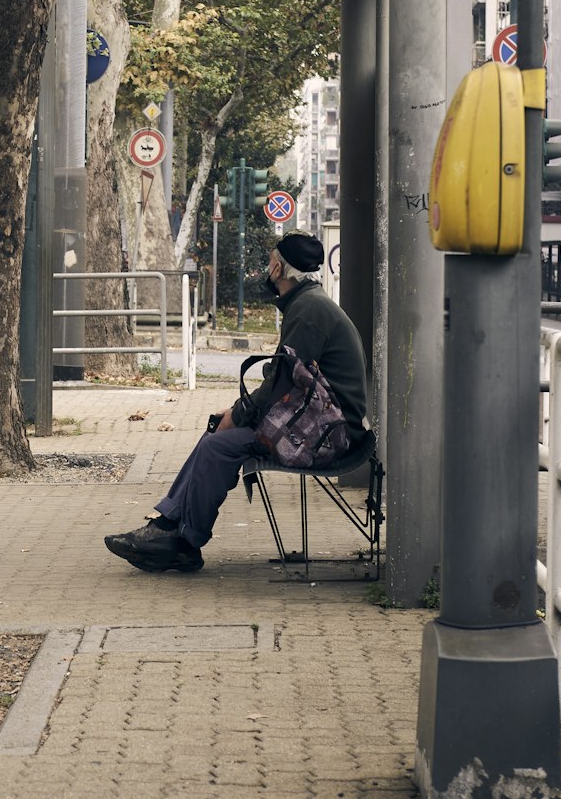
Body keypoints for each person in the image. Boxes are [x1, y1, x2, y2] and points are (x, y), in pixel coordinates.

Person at [104, 229, 369, 573]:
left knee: (219, 447)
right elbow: (285, 383)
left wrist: (240, 413)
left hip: (329, 434)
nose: (268, 268)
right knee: (217, 434)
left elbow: (280, 384)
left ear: (279, 268)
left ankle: (185, 541)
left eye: (272, 261)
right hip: (318, 422)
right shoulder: (309, 303)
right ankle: (168, 525)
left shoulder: (307, 311)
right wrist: (236, 413)